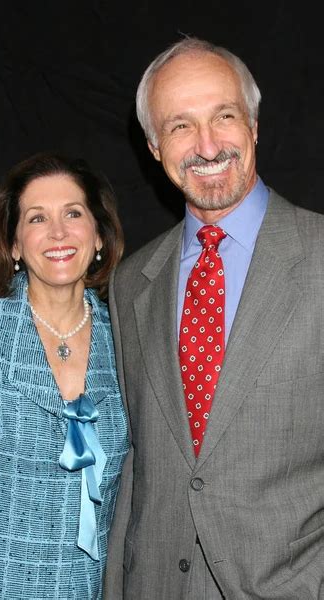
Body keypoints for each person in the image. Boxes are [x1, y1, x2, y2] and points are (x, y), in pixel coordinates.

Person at [104, 36, 324, 599]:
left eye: (223, 116)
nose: (206, 144)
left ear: (253, 124)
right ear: (154, 147)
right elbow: (140, 464)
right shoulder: (132, 283)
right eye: (179, 126)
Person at [0, 152, 129, 599]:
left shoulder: (128, 340)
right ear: (14, 244)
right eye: (37, 218)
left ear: (98, 235)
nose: (58, 232)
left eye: (73, 213)